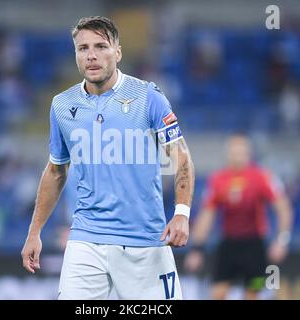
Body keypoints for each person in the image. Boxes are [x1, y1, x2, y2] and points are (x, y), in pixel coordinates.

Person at [21, 16, 195, 300]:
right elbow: (55, 171)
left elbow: (182, 158)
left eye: (101, 46)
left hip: (145, 241)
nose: (91, 55)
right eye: (83, 48)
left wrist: (181, 214)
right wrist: (34, 232)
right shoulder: (62, 105)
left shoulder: (149, 97)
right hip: (86, 238)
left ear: (118, 52)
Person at [184, 134, 293, 300]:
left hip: (255, 247)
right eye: (234, 152)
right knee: (217, 292)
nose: (238, 156)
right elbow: (206, 216)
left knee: (254, 292)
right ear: (227, 154)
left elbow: (283, 208)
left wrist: (281, 241)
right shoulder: (218, 180)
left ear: (249, 154)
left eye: (241, 152)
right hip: (229, 245)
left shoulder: (262, 177)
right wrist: (197, 249)